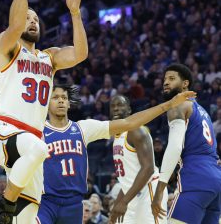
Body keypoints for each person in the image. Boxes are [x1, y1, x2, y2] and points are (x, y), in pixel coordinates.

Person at [0, 0, 89, 224]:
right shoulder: (6, 48)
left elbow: (80, 54)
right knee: (41, 149)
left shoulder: (49, 57)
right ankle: (5, 206)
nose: (31, 20)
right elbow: (15, 23)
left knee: (29, 217)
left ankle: (12, 213)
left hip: (30, 140)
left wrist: (75, 14)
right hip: (3, 131)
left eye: (35, 18)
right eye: (27, 16)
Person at [36, 84, 194, 224]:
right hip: (48, 201)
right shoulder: (38, 131)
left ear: (70, 103)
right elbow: (127, 180)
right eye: (55, 97)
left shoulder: (85, 128)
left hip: (140, 194)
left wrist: (169, 104)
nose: (61, 100)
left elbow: (132, 125)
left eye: (64, 97)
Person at [152, 64, 221, 224]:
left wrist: (160, 189)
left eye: (171, 78)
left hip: (197, 177)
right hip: (216, 180)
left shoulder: (178, 105)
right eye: (164, 79)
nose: (165, 83)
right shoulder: (202, 111)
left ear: (185, 84)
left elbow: (175, 147)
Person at [109, 95, 168, 224]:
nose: (116, 109)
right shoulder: (117, 137)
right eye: (112, 106)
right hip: (132, 195)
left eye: (120, 105)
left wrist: (123, 202)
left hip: (149, 192)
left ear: (129, 110)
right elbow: (127, 180)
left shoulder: (136, 130)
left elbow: (148, 169)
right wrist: (116, 205)